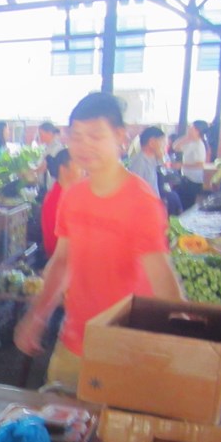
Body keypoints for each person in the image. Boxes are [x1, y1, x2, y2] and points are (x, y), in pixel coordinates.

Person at [14, 92, 184, 392]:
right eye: (77, 136)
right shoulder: (73, 195)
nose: (84, 146)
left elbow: (163, 279)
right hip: (73, 344)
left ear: (120, 136)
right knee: (58, 430)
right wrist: (36, 315)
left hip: (126, 352)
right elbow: (63, 261)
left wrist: (187, 350)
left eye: (95, 135)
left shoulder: (141, 202)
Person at [39, 149, 83, 259]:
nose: (83, 171)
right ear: (63, 169)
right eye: (79, 166)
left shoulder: (68, 195)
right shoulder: (56, 199)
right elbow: (57, 243)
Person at [173, 119, 208, 209]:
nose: (189, 128)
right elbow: (175, 147)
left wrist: (182, 165)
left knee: (187, 205)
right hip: (187, 178)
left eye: (191, 127)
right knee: (182, 203)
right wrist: (186, 137)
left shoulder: (199, 145)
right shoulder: (191, 142)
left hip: (193, 181)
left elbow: (200, 165)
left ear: (197, 130)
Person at [128, 126, 165, 197]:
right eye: (162, 142)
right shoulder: (139, 162)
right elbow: (135, 189)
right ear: (152, 142)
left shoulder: (153, 159)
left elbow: (164, 165)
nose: (164, 145)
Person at [36, 121, 64, 191]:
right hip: (45, 187)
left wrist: (33, 171)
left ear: (49, 133)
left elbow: (44, 167)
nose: (39, 137)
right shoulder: (46, 148)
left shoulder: (57, 149)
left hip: (52, 187)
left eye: (41, 134)